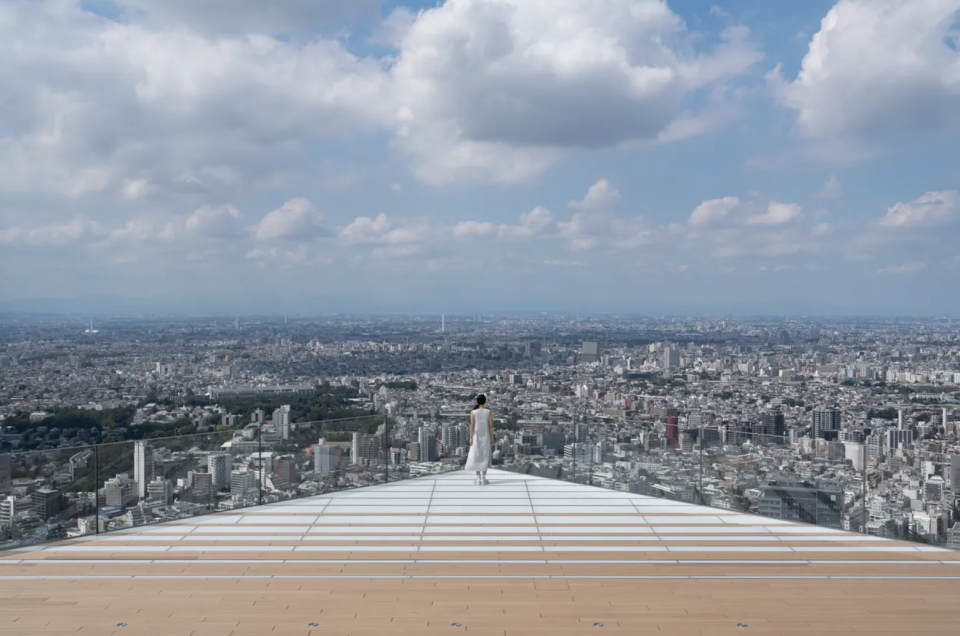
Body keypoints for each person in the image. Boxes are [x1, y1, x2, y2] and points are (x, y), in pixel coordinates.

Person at [464, 394, 493, 485]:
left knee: (477, 456)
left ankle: (478, 479)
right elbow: (491, 426)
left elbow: (472, 426)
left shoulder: (473, 412)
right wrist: (492, 437)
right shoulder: (489, 412)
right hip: (486, 436)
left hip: (476, 436)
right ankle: (483, 479)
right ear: (484, 401)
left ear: (477, 401)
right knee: (484, 456)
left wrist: (471, 437)